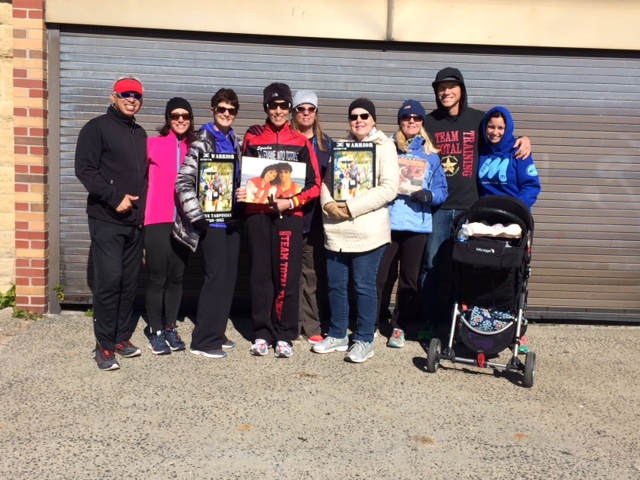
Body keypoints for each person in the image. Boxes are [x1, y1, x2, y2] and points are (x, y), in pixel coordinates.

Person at [420, 67, 532, 340]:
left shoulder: (479, 120)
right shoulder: (428, 122)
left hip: (472, 209)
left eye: (451, 87)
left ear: (461, 90)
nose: (446, 92)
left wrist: (524, 139)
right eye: (441, 88)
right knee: (431, 268)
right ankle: (428, 321)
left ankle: (461, 323)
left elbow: (501, 138)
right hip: (439, 208)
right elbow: (407, 144)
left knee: (468, 267)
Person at [237, 82, 321, 359]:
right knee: (261, 275)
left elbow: (314, 185)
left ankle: (285, 335)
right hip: (257, 216)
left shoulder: (301, 142)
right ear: (266, 107)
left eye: (283, 105)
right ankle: (262, 333)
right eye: (273, 105)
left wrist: (292, 202)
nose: (278, 110)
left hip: (289, 217)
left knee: (287, 276)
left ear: (290, 109)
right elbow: (241, 174)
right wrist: (240, 189)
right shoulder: (252, 136)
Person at [312, 98, 399, 363]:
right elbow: (327, 181)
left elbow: (388, 188)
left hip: (368, 232)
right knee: (336, 285)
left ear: (373, 119)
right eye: (353, 117)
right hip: (337, 231)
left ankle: (363, 339)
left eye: (364, 116)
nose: (358, 120)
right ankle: (338, 333)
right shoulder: (341, 146)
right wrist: (327, 203)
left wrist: (350, 207)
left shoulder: (385, 147)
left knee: (363, 286)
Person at [74, 76, 148, 371]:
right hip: (107, 219)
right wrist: (114, 196)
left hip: (135, 222)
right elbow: (85, 170)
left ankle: (119, 338)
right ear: (113, 97)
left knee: (129, 283)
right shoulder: (96, 129)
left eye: (137, 96)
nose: (132, 99)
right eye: (126, 94)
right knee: (109, 282)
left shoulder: (140, 133)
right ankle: (103, 346)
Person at [173, 88, 243, 359]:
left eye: (231, 110)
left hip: (232, 221)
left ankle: (216, 330)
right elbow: (183, 182)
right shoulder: (203, 140)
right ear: (213, 110)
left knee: (228, 279)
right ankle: (203, 341)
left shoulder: (233, 139)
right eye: (222, 109)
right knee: (215, 278)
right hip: (211, 223)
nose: (226, 114)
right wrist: (197, 217)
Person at [376, 100, 448, 348]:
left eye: (417, 119)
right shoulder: (386, 148)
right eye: (407, 118)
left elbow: (442, 190)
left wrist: (429, 196)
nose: (411, 122)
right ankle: (372, 322)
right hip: (387, 222)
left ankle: (399, 326)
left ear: (422, 123)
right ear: (400, 122)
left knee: (410, 279)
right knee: (379, 276)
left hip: (416, 225)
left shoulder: (430, 154)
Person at [144, 97, 194, 355]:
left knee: (176, 277)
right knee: (157, 277)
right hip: (156, 220)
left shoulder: (195, 147)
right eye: (175, 115)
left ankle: (170, 327)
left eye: (185, 115)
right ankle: (155, 330)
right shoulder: (152, 145)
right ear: (168, 118)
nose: (181, 119)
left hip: (184, 221)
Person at [290, 90, 332, 344]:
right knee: (288, 273)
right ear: (294, 112)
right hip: (290, 214)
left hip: (317, 219)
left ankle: (312, 323)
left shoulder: (327, 145)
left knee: (312, 274)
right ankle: (291, 323)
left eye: (311, 109)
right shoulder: (286, 141)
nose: (306, 113)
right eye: (301, 109)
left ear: (316, 113)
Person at [478, 106, 541, 210]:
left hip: (513, 213)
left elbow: (531, 186)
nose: (495, 132)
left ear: (507, 128)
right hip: (485, 213)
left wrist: (516, 207)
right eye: (491, 127)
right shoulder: (479, 150)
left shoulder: (519, 150)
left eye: (500, 128)